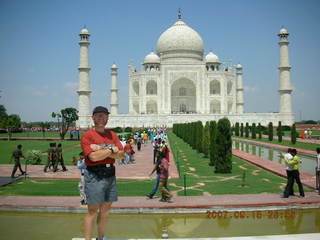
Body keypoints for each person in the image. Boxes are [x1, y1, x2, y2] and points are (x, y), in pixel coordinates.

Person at [81, 106, 125, 240]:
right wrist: (111, 149)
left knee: (105, 210)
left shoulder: (112, 134)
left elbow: (122, 155)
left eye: (104, 116)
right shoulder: (88, 135)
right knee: (92, 212)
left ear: (108, 118)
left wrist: (100, 149)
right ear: (93, 117)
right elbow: (93, 157)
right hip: (94, 176)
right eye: (99, 115)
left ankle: (101, 237)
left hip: (110, 175)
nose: (102, 118)